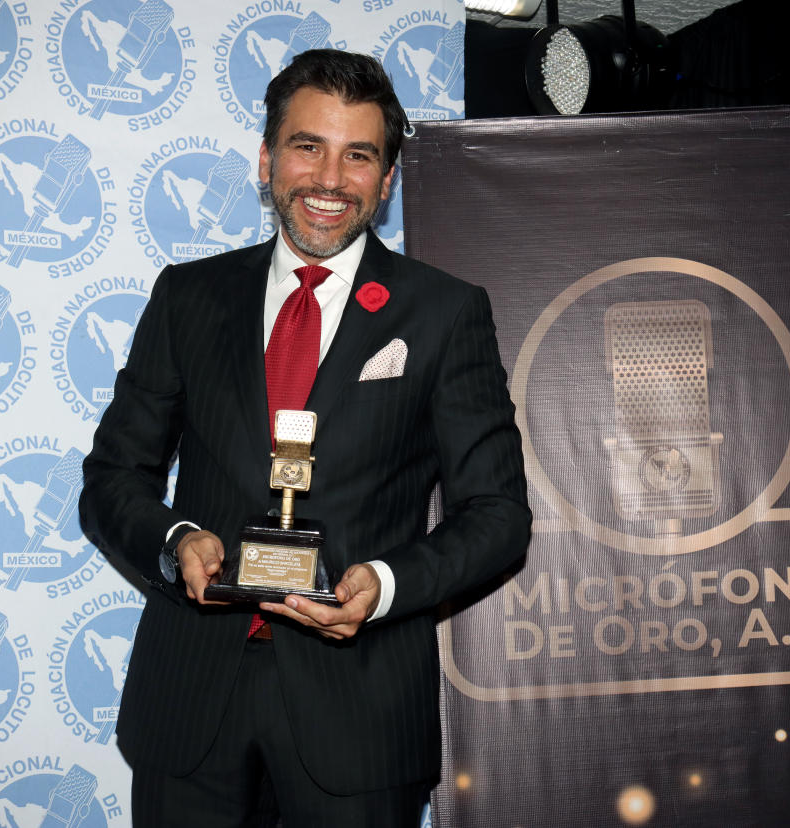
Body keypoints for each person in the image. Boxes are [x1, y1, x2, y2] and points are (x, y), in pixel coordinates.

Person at [79, 49, 530, 827]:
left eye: (359, 155)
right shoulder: (188, 296)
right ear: (266, 159)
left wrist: (384, 586)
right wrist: (176, 539)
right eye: (307, 146)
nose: (330, 178)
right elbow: (115, 476)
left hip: (358, 714)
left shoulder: (443, 313)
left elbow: (496, 515)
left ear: (386, 180)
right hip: (189, 700)